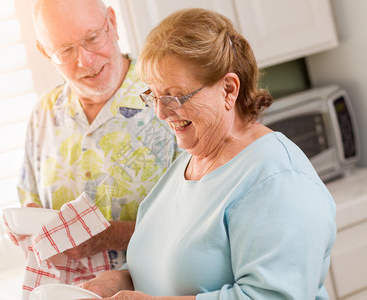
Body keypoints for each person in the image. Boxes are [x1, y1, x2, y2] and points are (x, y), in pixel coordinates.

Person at [80, 8, 337, 299]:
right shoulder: (186, 166)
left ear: (228, 89)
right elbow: (162, 268)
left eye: (174, 96)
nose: (161, 112)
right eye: (153, 94)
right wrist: (117, 281)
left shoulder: (278, 179)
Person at [13, 0, 181, 293]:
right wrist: (32, 224)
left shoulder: (171, 100)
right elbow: (31, 204)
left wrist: (108, 236)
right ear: (44, 53)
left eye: (93, 38)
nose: (86, 61)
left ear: (113, 24)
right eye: (65, 51)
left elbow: (203, 223)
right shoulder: (43, 115)